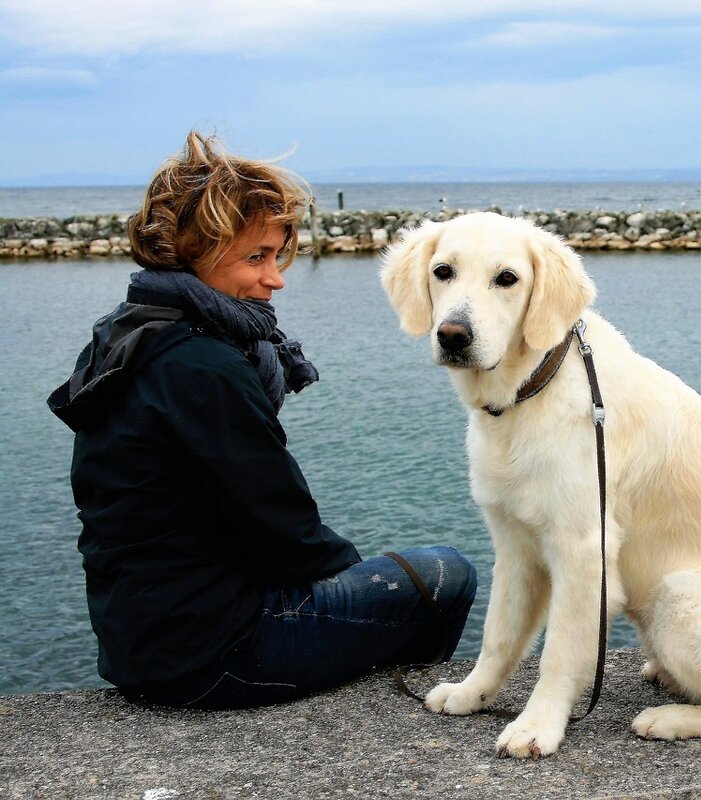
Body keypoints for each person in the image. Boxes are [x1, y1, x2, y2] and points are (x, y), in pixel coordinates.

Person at [48, 131, 476, 709]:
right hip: (216, 656)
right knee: (445, 575)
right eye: (255, 257)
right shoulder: (204, 367)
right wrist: (352, 583)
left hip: (139, 644)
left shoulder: (127, 334)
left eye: (276, 256)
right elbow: (292, 536)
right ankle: (390, 714)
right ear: (190, 252)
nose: (274, 278)